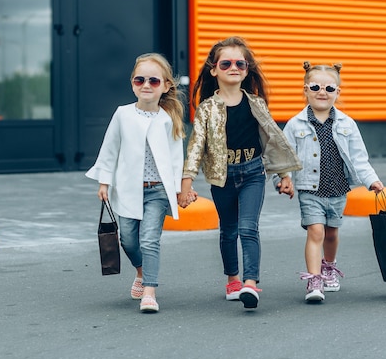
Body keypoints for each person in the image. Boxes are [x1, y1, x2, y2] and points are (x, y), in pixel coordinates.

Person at [178, 36, 301, 309]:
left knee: (248, 228)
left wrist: (285, 177)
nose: (234, 67)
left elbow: (273, 141)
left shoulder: (256, 103)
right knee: (229, 231)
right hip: (222, 176)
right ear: (214, 70)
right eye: (226, 63)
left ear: (247, 70)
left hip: (253, 173)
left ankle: (250, 283)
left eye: (240, 63)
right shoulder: (207, 108)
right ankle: (233, 279)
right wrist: (185, 184)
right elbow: (196, 147)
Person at [86, 53, 190, 313]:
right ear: (132, 82)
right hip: (128, 189)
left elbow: (176, 157)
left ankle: (150, 292)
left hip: (157, 191)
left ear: (166, 86)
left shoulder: (168, 120)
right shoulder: (122, 114)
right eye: (139, 79)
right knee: (129, 240)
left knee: (149, 240)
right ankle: (141, 273)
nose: (146, 85)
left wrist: (178, 189)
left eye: (153, 81)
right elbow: (110, 149)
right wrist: (104, 182)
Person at [278, 61, 384, 302]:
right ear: (305, 90)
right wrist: (283, 178)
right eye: (315, 87)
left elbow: (359, 158)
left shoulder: (347, 124)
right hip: (310, 189)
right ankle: (314, 281)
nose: (322, 92)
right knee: (316, 231)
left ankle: (329, 266)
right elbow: (282, 155)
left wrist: (372, 181)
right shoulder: (295, 124)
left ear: (338, 92)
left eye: (329, 88)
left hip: (337, 189)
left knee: (331, 234)